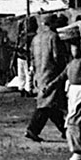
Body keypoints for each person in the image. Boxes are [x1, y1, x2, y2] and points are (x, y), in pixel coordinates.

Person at [46, 38, 81, 160]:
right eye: (73, 47)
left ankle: (78, 151)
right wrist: (49, 87)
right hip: (73, 94)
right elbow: (61, 77)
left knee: (75, 122)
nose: (75, 50)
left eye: (77, 47)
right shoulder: (71, 64)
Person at [25, 14, 68, 142]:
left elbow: (32, 58)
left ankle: (64, 129)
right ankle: (33, 129)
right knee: (46, 104)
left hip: (40, 73)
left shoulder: (36, 39)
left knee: (51, 104)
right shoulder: (53, 37)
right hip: (51, 74)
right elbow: (56, 56)